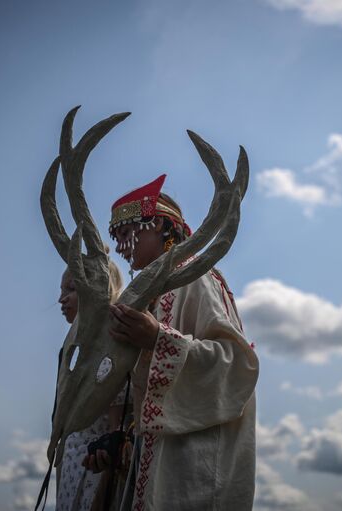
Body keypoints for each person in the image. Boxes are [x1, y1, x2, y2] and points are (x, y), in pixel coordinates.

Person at [84, 175, 259, 510]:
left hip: (193, 463)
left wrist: (157, 339)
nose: (120, 245)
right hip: (155, 457)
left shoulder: (196, 278)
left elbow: (235, 364)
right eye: (116, 236)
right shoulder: (157, 291)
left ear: (161, 227)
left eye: (126, 232)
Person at [56, 258, 129, 511]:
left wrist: (100, 500)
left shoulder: (108, 353)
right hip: (73, 479)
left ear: (96, 288)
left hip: (92, 485)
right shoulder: (79, 353)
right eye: (62, 290)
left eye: (72, 289)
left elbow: (115, 437)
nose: (61, 299)